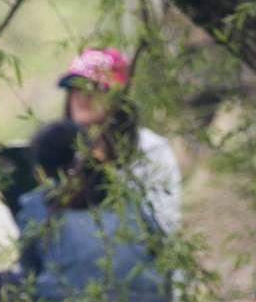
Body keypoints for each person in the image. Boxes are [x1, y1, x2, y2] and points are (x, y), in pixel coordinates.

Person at [0, 115, 169, 302]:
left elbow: (30, 273)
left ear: (42, 169)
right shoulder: (129, 197)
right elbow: (161, 255)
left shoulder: (38, 205)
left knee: (4, 287)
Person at [59, 47, 183, 233]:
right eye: (74, 87)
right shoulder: (59, 150)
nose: (81, 96)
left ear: (118, 97)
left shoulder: (149, 149)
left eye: (93, 87)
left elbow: (164, 224)